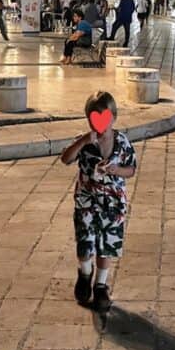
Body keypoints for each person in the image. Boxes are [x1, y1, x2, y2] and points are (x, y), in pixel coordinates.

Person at [59, 91, 137, 312]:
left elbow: (131, 169)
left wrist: (116, 170)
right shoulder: (84, 141)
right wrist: (83, 140)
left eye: (104, 117)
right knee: (85, 244)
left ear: (113, 117)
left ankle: (101, 285)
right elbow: (66, 158)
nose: (100, 123)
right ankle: (85, 273)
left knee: (106, 246)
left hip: (113, 204)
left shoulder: (122, 142)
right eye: (94, 118)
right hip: (87, 202)